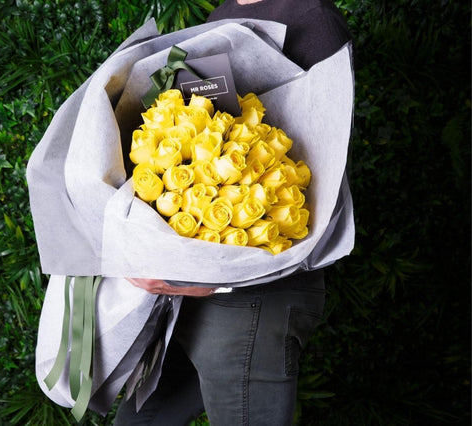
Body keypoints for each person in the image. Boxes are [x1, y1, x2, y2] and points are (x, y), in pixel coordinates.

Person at [114, 1, 352, 424]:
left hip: (258, 296)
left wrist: (205, 277)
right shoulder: (220, 14)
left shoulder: (313, 17)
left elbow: (324, 184)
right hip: (189, 292)